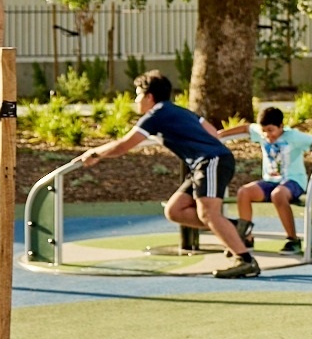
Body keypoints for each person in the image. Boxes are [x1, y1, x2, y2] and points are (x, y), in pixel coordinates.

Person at [76, 72, 258, 278]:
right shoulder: (181, 112)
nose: (136, 101)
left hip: (211, 161)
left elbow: (125, 145)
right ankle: (236, 228)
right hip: (204, 162)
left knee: (208, 213)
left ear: (149, 97)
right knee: (175, 210)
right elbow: (213, 133)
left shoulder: (155, 116)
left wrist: (95, 154)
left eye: (138, 95)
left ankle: (245, 261)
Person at [233, 105, 312, 253]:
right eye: (264, 131)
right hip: (270, 181)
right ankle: (246, 237)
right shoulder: (261, 132)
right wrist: (219, 134)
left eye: (271, 130)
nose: (268, 135)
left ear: (281, 126)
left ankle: (293, 240)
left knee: (278, 195)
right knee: (244, 192)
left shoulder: (293, 136)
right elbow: (246, 128)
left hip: (294, 181)